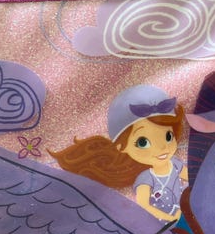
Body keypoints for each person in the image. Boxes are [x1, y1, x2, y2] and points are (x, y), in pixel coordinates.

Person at [50, 85, 187, 222]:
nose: (162, 147)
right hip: (165, 223)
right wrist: (170, 218)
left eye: (168, 136)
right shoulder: (146, 178)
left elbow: (192, 179)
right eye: (143, 142)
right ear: (122, 147)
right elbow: (144, 206)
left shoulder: (175, 164)